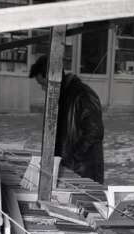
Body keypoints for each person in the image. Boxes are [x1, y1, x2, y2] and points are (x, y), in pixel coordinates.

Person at [29, 55, 105, 184]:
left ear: (52, 78)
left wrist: (72, 158)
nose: (43, 89)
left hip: (83, 171)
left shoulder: (83, 94)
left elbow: (95, 132)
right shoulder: (61, 96)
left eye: (44, 84)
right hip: (68, 167)